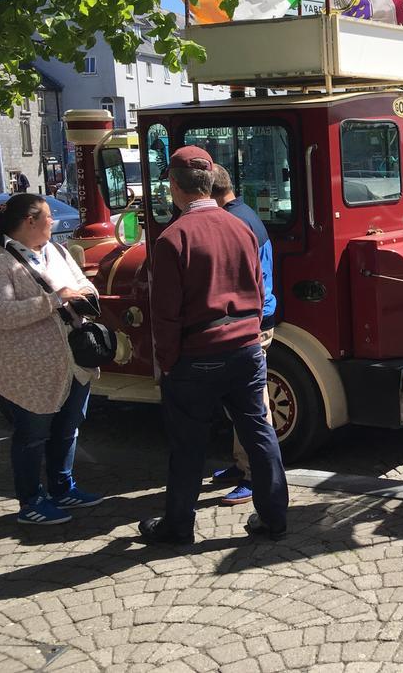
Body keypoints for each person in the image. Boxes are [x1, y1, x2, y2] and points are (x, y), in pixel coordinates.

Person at [140, 146, 288, 545]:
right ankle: (274, 517)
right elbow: (259, 291)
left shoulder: (173, 239)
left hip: (196, 353)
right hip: (245, 346)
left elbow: (165, 315)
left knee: (188, 446)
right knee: (259, 432)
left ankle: (178, 525)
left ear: (173, 186)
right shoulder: (241, 227)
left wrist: (168, 363)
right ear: (209, 182)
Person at [0, 193, 102, 524]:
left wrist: (86, 295)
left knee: (68, 427)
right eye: (47, 216)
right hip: (25, 371)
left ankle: (62, 486)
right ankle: (30, 501)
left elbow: (83, 282)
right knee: (32, 436)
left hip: (71, 360)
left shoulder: (56, 251)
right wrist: (53, 301)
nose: (53, 222)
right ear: (30, 222)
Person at [209, 164, 278, 506]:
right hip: (260, 315)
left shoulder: (233, 222)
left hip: (250, 322)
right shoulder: (246, 212)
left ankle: (253, 474)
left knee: (253, 405)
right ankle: (242, 464)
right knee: (243, 403)